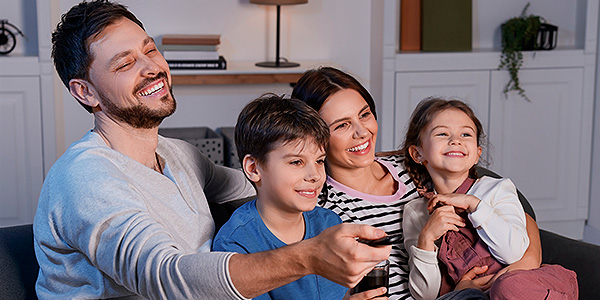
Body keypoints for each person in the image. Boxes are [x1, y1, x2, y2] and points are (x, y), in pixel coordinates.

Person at [33, 2, 393, 299]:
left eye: (150, 49)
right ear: (86, 92)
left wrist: (377, 172)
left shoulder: (179, 156)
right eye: (125, 63)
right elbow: (164, 277)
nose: (152, 68)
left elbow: (263, 180)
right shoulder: (85, 178)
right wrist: (308, 258)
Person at [292, 67, 549, 300]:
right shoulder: (321, 207)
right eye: (342, 125)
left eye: (365, 114)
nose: (362, 132)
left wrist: (507, 281)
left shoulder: (418, 167)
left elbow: (517, 217)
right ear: (315, 137)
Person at [400, 98, 578, 300]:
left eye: (466, 134)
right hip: (471, 296)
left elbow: (513, 253)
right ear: (417, 153)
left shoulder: (497, 189)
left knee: (510, 287)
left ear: (477, 154)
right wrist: (426, 240)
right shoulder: (416, 212)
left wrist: (474, 205)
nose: (455, 140)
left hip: (524, 287)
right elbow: (426, 296)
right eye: (442, 133)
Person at [214, 94, 372, 299]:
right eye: (296, 162)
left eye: (320, 161)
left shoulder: (329, 222)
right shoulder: (234, 246)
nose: (314, 175)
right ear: (253, 168)